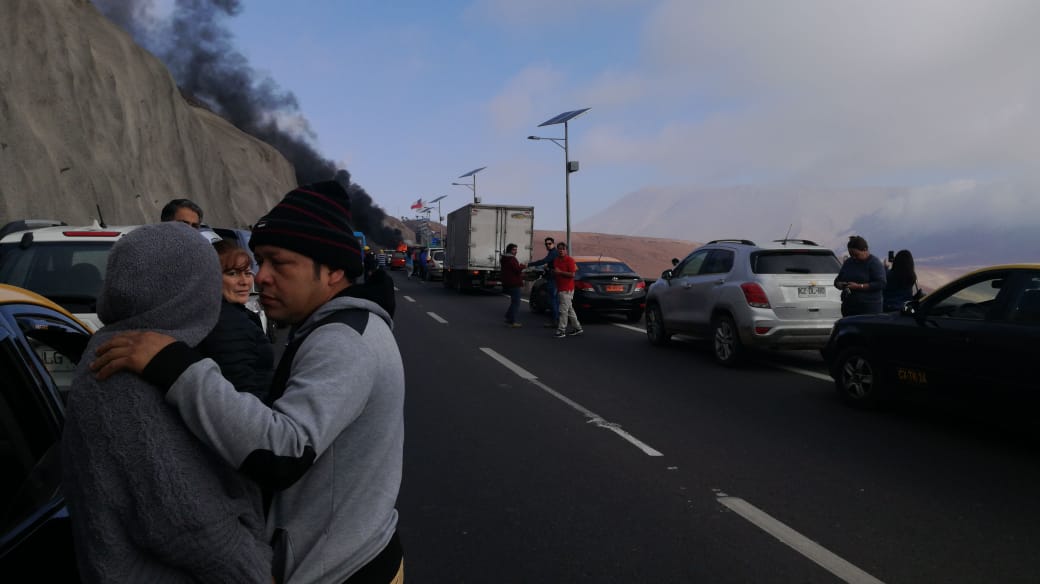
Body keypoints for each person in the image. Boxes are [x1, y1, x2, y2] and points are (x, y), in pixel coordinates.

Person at [90, 181, 406, 584]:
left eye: (278, 263)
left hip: (345, 571)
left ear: (333, 270)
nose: (261, 278)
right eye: (259, 261)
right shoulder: (337, 327)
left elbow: (282, 452)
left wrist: (175, 367)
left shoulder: (343, 341)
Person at [61, 222, 272, 583]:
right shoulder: (127, 372)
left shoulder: (118, 348)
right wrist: (256, 571)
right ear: (190, 292)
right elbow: (188, 522)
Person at [196, 239, 274, 402]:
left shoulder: (224, 313)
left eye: (247, 272)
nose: (244, 281)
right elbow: (242, 391)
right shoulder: (227, 323)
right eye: (232, 273)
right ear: (211, 276)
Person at [834, 235, 886, 316]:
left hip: (869, 309)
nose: (854, 257)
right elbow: (838, 280)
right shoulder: (848, 262)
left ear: (865, 250)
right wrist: (840, 284)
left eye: (856, 254)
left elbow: (881, 283)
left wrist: (859, 286)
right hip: (849, 307)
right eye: (851, 255)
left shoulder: (874, 263)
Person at [552, 242, 583, 338]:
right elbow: (556, 273)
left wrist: (560, 272)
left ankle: (561, 330)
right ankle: (577, 328)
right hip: (560, 288)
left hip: (567, 289)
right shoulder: (556, 260)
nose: (561, 250)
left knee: (563, 310)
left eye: (563, 249)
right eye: (559, 249)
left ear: (566, 250)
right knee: (569, 309)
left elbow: (572, 275)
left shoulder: (570, 260)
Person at [528, 236, 559, 327]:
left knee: (552, 300)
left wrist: (530, 264)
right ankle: (556, 320)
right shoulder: (552, 253)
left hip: (552, 279)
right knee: (554, 300)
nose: (548, 245)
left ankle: (555, 321)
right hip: (553, 278)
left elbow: (543, 261)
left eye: (550, 243)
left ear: (553, 244)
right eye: (546, 244)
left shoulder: (553, 253)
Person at [501, 242, 526, 327]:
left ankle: (508, 317)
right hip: (514, 283)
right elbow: (517, 270)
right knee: (516, 302)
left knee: (514, 301)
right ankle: (513, 321)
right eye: (514, 250)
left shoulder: (504, 258)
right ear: (510, 250)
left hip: (507, 282)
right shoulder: (512, 259)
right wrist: (522, 266)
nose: (516, 251)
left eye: (516, 249)